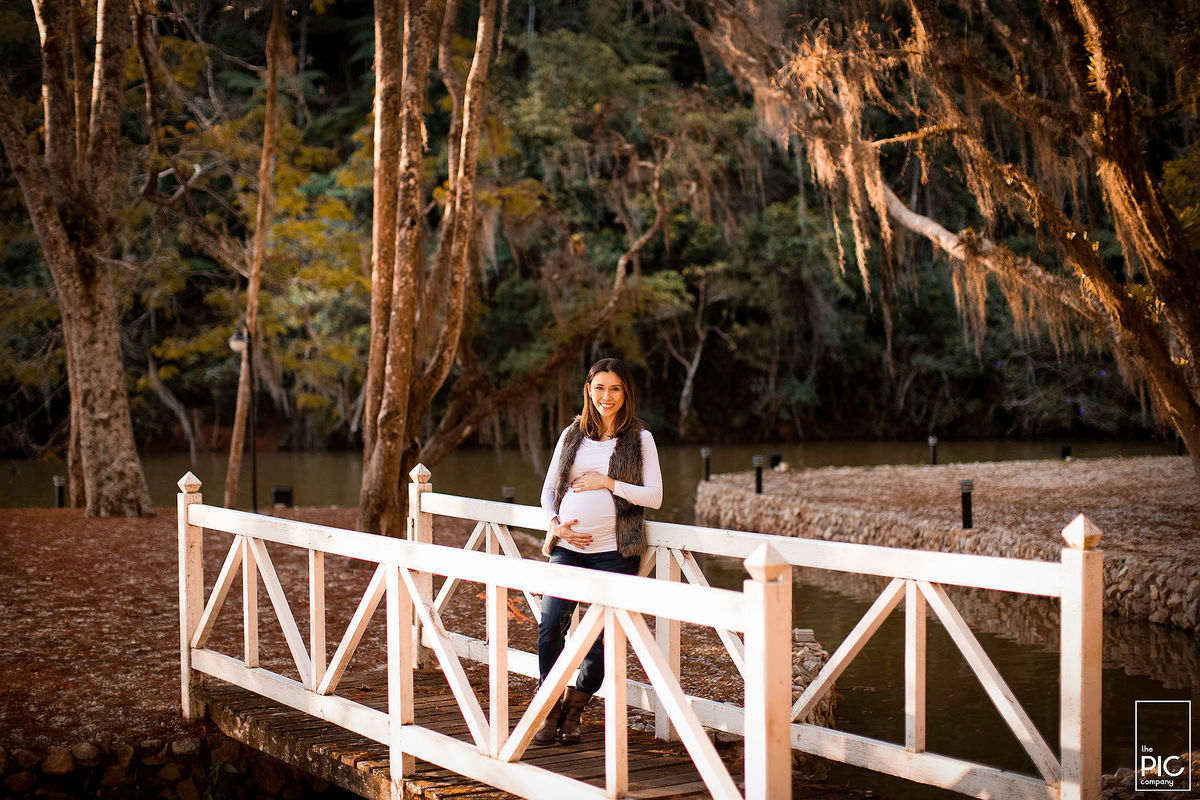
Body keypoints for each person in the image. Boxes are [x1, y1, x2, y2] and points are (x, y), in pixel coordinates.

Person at [532, 357, 663, 746]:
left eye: (616, 389)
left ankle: (574, 709)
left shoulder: (640, 438)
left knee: (601, 638)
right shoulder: (572, 434)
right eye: (600, 388)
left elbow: (654, 497)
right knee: (550, 624)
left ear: (626, 394)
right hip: (569, 549)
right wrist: (554, 525)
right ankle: (549, 706)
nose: (607, 396)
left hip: (615, 551)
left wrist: (608, 482)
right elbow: (548, 492)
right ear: (589, 389)